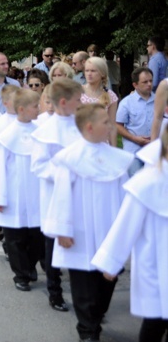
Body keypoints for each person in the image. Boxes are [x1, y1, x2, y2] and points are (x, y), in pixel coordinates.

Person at [45, 103, 134, 342]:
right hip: (80, 231)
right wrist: (62, 229)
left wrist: (128, 231)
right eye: (106, 122)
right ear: (89, 127)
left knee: (107, 281)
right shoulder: (70, 158)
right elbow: (61, 195)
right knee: (83, 284)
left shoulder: (118, 159)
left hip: (109, 229)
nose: (110, 126)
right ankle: (87, 331)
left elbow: (125, 197)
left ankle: (96, 316)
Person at [91, 125, 168, 342]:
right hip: (157, 264)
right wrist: (111, 261)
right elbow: (126, 225)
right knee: (155, 322)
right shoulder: (147, 182)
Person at [31, 78, 84, 312]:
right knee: (53, 244)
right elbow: (39, 165)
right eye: (78, 99)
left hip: (81, 194)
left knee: (80, 244)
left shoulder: (82, 124)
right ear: (64, 101)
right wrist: (66, 171)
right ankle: (55, 292)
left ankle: (85, 301)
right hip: (54, 195)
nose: (81, 103)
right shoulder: (45, 130)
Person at [0, 89, 43, 291]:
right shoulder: (7, 136)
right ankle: (20, 274)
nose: (39, 109)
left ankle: (29, 266)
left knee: (37, 238)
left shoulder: (40, 132)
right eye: (35, 106)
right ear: (22, 109)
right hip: (13, 193)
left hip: (37, 193)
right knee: (15, 238)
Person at [116, 67, 155, 175]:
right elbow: (118, 125)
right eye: (145, 82)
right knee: (135, 180)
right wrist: (135, 139)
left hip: (154, 149)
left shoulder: (159, 101)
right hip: (133, 149)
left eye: (151, 81)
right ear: (135, 85)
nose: (149, 84)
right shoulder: (126, 103)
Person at [81, 56, 118, 146]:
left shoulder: (110, 95)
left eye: (93, 71)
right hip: (81, 140)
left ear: (102, 73)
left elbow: (112, 125)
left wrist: (113, 148)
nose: (89, 74)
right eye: (87, 70)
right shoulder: (78, 91)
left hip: (102, 142)